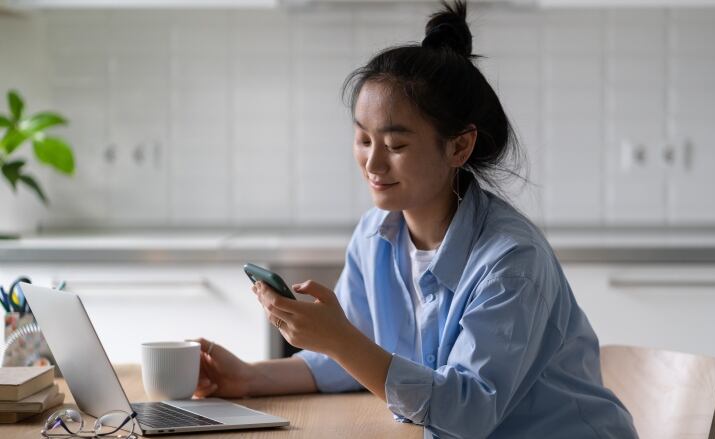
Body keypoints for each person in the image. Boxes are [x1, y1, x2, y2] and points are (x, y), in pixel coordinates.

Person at [195, 1, 637, 438]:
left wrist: (339, 338)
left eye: (396, 145)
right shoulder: (374, 236)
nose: (373, 164)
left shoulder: (511, 263)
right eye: (363, 139)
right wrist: (248, 377)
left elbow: (468, 410)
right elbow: (350, 359)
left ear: (459, 147)